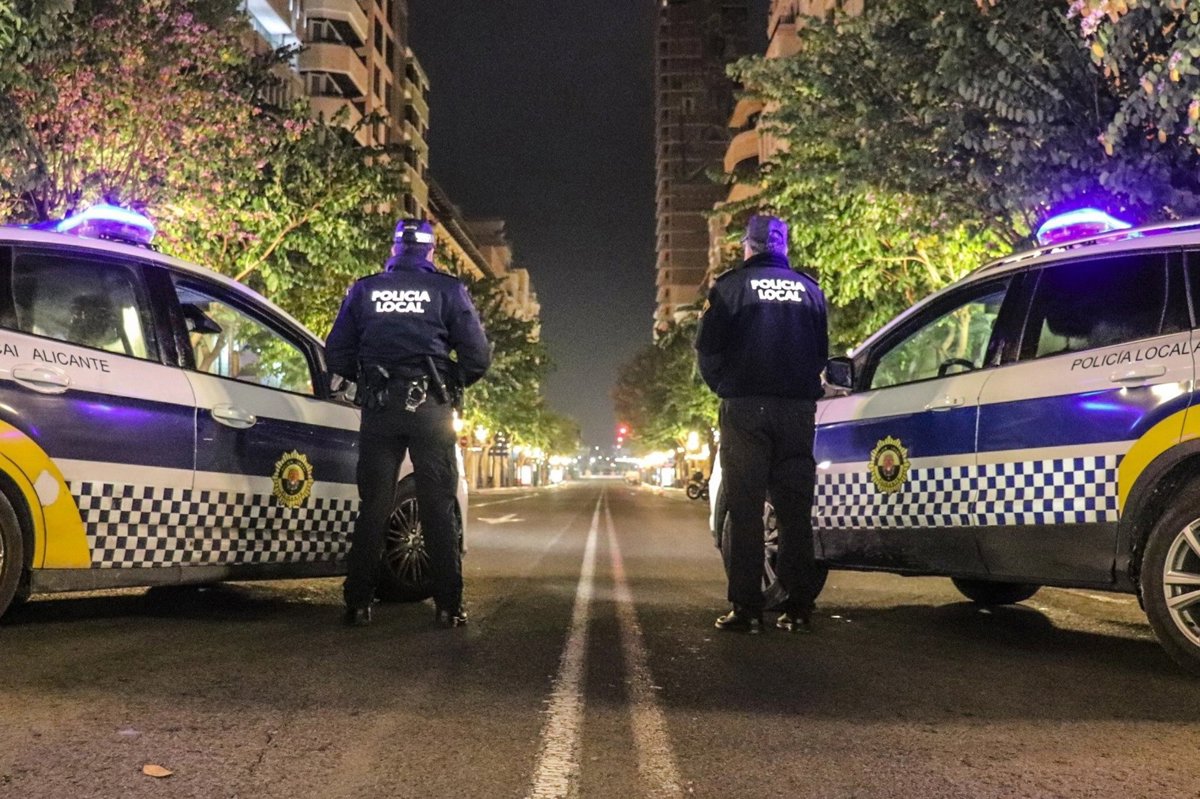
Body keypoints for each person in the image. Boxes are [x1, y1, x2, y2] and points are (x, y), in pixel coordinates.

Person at [326, 219, 491, 628]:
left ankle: (358, 604)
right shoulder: (448, 290)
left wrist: (366, 378)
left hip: (380, 410)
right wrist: (449, 381)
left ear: (394, 249)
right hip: (430, 408)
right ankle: (448, 607)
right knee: (438, 508)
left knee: (374, 506)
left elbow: (337, 352)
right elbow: (477, 357)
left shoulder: (365, 290)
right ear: (431, 251)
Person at [694, 214, 829, 634]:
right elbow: (820, 352)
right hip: (797, 412)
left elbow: (707, 351)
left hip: (746, 409)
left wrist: (727, 387)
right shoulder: (810, 290)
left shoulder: (730, 287)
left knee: (746, 509)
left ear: (747, 246)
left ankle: (747, 609)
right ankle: (798, 607)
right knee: (794, 512)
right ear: (783, 246)